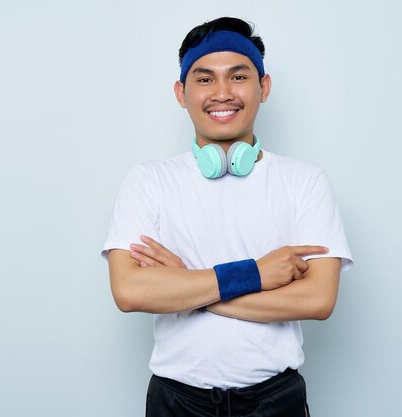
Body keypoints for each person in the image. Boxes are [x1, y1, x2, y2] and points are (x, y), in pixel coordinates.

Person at [101, 16, 353, 417]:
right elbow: (131, 292)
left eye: (238, 77)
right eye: (204, 79)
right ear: (181, 93)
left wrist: (187, 285)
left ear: (263, 87)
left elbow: (318, 299)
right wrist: (256, 274)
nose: (222, 93)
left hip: (276, 400)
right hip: (176, 402)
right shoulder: (147, 180)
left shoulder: (305, 181)